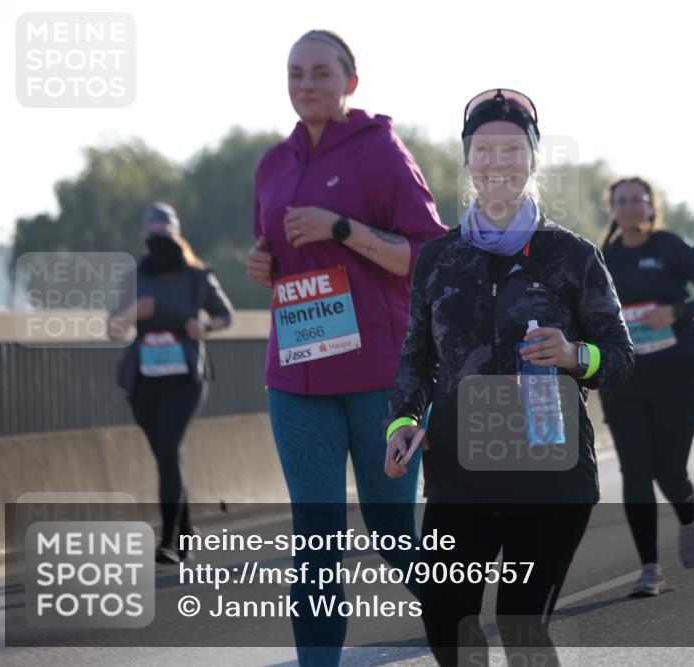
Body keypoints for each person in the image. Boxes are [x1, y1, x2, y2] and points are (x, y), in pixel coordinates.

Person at [384, 89, 634, 666]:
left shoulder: (571, 257)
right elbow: (416, 359)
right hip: (459, 476)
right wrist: (400, 421)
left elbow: (619, 357)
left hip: (550, 476)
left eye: (511, 149)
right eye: (483, 149)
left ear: (532, 159)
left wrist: (575, 355)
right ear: (468, 160)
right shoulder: (438, 259)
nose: (497, 162)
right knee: (449, 626)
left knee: (521, 629)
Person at [244, 29, 447, 666]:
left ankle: (453, 619)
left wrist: (343, 229)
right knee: (317, 539)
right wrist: (262, 264)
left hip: (379, 379)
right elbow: (281, 255)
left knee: (392, 533)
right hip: (297, 378)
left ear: (349, 82)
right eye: (296, 73)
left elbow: (430, 257)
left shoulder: (381, 151)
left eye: (321, 74)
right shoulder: (272, 164)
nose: (307, 84)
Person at [597, 177, 694, 597]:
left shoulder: (672, 247)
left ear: (652, 207)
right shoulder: (602, 258)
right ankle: (649, 569)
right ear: (613, 208)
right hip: (625, 377)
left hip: (678, 373)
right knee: (635, 471)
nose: (631, 207)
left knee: (668, 470)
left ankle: (689, 518)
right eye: (622, 201)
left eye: (638, 200)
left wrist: (675, 310)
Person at [108, 202, 234, 564]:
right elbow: (111, 327)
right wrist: (134, 314)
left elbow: (226, 315)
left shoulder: (197, 276)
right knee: (166, 456)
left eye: (164, 231)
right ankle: (187, 528)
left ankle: (169, 542)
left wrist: (205, 327)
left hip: (185, 378)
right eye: (152, 232)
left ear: (176, 234)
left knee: (167, 451)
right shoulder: (133, 277)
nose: (158, 238)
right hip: (143, 381)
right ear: (144, 236)